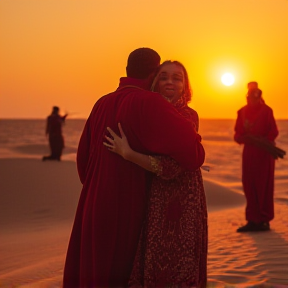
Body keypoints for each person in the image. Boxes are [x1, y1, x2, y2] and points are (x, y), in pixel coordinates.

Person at [63, 49, 205, 287]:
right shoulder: (150, 102)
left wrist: (99, 188)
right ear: (153, 74)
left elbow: (83, 160)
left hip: (92, 203)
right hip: (128, 205)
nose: (168, 82)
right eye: (162, 75)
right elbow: (194, 155)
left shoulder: (102, 102)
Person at [104, 60, 207, 287]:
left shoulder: (187, 115)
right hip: (153, 196)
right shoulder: (149, 111)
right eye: (163, 76)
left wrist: (128, 153)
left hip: (182, 198)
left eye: (177, 78)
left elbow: (173, 167)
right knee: (151, 257)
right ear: (154, 82)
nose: (170, 82)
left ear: (185, 87)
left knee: (178, 262)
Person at [234, 86, 279, 232]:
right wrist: (245, 138)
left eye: (256, 95)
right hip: (249, 154)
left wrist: (264, 141)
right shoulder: (242, 112)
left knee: (264, 186)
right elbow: (238, 134)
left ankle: (264, 220)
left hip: (264, 154)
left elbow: (274, 131)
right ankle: (253, 219)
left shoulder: (267, 111)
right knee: (249, 185)